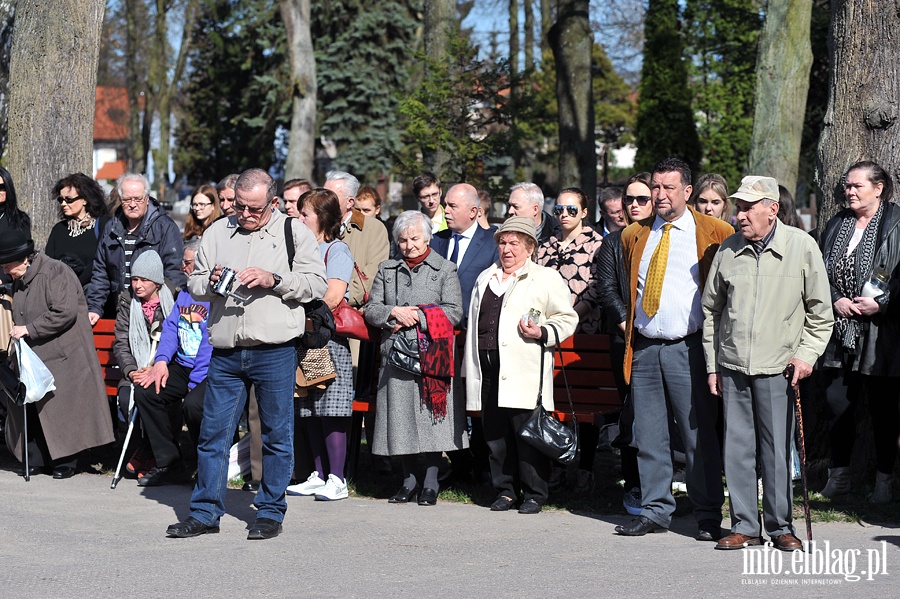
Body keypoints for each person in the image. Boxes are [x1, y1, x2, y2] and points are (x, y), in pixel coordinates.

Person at [165, 168, 327, 540]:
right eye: (239, 206)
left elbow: (316, 284)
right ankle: (205, 512)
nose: (245, 214)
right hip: (226, 350)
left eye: (254, 208)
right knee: (212, 434)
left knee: (276, 434)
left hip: (275, 351)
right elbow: (194, 282)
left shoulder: (293, 232)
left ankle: (270, 511)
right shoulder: (219, 231)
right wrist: (212, 281)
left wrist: (275, 280)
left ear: (273, 202)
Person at [703, 175, 833, 551]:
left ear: (772, 210)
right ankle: (744, 525)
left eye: (747, 208)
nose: (739, 215)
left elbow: (821, 313)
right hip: (733, 365)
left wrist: (806, 356)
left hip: (779, 367)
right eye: (738, 207)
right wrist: (713, 366)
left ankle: (780, 526)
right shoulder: (728, 249)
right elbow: (710, 311)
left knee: (776, 450)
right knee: (737, 448)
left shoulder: (801, 246)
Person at [614, 158, 731, 541]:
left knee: (699, 437)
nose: (659, 195)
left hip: (690, 347)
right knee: (648, 436)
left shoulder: (716, 232)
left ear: (687, 192)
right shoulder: (635, 234)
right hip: (646, 347)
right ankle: (655, 510)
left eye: (668, 188)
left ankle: (708, 513)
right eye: (656, 188)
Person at [464, 216, 578, 514]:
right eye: (502, 242)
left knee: (527, 436)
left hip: (524, 371)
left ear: (530, 248)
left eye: (515, 243)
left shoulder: (545, 277)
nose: (507, 249)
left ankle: (534, 494)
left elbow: (567, 318)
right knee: (496, 436)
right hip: (488, 369)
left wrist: (542, 332)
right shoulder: (485, 278)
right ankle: (505, 491)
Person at [365, 211, 465, 504]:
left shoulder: (445, 269)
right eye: (403, 240)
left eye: (414, 239)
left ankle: (431, 482)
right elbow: (372, 310)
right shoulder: (387, 269)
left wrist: (419, 315)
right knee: (401, 419)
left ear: (427, 238)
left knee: (433, 418)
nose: (408, 245)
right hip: (396, 355)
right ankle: (408, 481)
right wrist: (393, 312)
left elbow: (455, 312)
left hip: (433, 355)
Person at [1, 230, 114, 478]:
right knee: (35, 409)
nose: (6, 272)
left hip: (65, 355)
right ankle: (39, 459)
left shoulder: (55, 272)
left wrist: (29, 330)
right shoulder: (21, 279)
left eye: (8, 266)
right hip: (37, 356)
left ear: (23, 259)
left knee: (62, 410)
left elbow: (64, 311)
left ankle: (66, 462)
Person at [819, 161, 900, 504]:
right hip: (841, 329)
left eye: (857, 186)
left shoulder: (896, 222)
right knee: (837, 403)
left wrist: (882, 303)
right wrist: (835, 300)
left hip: (883, 331)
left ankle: (885, 481)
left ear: (878, 188)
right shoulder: (838, 223)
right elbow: (819, 268)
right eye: (847, 186)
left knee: (884, 408)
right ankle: (840, 477)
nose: (849, 191)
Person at [591, 172, 655, 515]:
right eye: (629, 199)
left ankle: (668, 484)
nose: (633, 205)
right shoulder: (613, 243)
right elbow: (607, 289)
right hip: (625, 339)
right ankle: (634, 485)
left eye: (641, 199)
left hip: (665, 339)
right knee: (632, 414)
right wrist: (627, 326)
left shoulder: (664, 237)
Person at [286, 189, 355, 501]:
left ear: (323, 218)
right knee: (309, 408)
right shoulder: (301, 249)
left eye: (306, 214)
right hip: (303, 337)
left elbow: (334, 294)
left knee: (331, 409)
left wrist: (302, 309)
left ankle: (337, 478)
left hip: (325, 340)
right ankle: (319, 474)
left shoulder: (337, 250)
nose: (300, 219)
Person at [536, 187, 605, 494]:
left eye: (571, 210)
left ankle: (586, 468)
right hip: (549, 335)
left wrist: (573, 317)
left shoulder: (596, 243)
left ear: (585, 212)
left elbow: (597, 286)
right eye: (560, 210)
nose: (564, 215)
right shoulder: (546, 245)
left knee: (583, 403)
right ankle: (556, 463)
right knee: (553, 402)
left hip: (583, 332)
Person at [430, 183, 499, 483]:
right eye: (445, 204)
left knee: (477, 401)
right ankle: (459, 463)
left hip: (474, 337)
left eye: (452, 206)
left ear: (474, 211)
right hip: (439, 337)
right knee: (444, 401)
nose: (445, 210)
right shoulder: (436, 241)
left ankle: (483, 467)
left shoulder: (492, 243)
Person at [131, 251, 211, 487]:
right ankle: (170, 462)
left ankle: (204, 465)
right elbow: (170, 329)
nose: (182, 266)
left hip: (207, 369)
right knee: (147, 392)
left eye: (187, 262)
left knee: (194, 406)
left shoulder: (214, 296)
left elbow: (210, 342)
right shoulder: (185, 293)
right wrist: (161, 362)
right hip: (182, 365)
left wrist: (194, 381)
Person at [112, 250, 177, 478]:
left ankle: (149, 453)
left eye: (143, 280)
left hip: (164, 367)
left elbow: (179, 339)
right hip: (136, 368)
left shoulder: (172, 300)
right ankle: (145, 450)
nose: (137, 285)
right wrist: (131, 371)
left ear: (157, 282)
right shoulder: (127, 301)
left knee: (158, 394)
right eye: (134, 279)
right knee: (125, 396)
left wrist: (158, 366)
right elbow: (121, 342)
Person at [86, 173, 185, 323]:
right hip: (120, 313)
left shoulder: (165, 228)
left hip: (155, 315)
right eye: (127, 199)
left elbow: (173, 274)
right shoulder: (110, 228)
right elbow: (101, 272)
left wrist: (158, 311)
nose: (133, 204)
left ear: (147, 199)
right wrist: (94, 307)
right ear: (120, 200)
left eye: (138, 199)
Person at [44, 173, 111, 289]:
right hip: (62, 294)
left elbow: (100, 262)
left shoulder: (104, 224)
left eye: (69, 199)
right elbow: (48, 264)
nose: (63, 204)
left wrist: (76, 285)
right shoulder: (59, 230)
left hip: (93, 296)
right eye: (61, 199)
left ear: (85, 200)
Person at [507, 181, 561, 245]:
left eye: (516, 207)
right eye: (509, 206)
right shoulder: (502, 234)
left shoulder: (558, 236)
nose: (510, 211)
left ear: (535, 209)